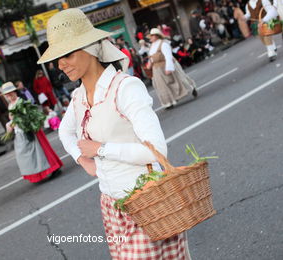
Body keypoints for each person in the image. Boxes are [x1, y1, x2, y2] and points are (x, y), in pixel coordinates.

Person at [38, 8, 191, 259]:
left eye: (67, 54)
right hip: (111, 205)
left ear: (91, 48)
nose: (60, 64)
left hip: (148, 200)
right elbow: (64, 132)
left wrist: (99, 149)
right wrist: (82, 159)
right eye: (57, 58)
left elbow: (156, 150)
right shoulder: (78, 97)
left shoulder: (125, 87)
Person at [1, 82, 63, 183]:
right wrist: (11, 123)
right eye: (7, 94)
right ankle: (38, 173)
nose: (9, 96)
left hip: (29, 130)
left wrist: (14, 121)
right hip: (20, 132)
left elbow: (26, 116)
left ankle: (54, 168)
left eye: (10, 93)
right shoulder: (10, 105)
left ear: (14, 92)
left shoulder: (20, 102)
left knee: (40, 151)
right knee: (27, 156)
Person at [147, 28, 197, 109]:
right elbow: (151, 57)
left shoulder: (163, 44)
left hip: (165, 65)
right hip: (156, 69)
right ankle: (168, 102)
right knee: (161, 86)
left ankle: (191, 88)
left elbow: (168, 56)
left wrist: (169, 68)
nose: (151, 37)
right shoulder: (152, 46)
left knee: (179, 80)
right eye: (151, 36)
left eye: (152, 35)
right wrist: (150, 63)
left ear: (157, 36)